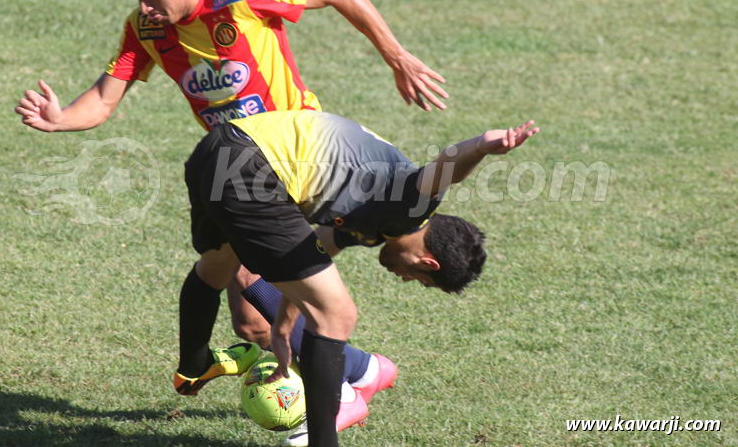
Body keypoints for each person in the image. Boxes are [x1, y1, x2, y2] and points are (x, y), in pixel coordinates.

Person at [13, 0, 448, 440]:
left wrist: (396, 55)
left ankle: (348, 389)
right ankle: (362, 371)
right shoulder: (147, 31)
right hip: (238, 172)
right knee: (252, 325)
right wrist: (61, 118)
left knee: (248, 281)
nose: (145, 6)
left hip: (297, 164)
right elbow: (105, 99)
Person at [183, 109, 539, 445]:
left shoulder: (368, 222)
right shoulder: (411, 207)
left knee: (218, 264)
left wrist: (283, 325)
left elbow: (305, 259)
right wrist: (481, 145)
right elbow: (445, 168)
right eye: (417, 278)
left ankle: (193, 366)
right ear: (427, 262)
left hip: (218, 150)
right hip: (257, 168)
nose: (403, 278)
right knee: (338, 315)